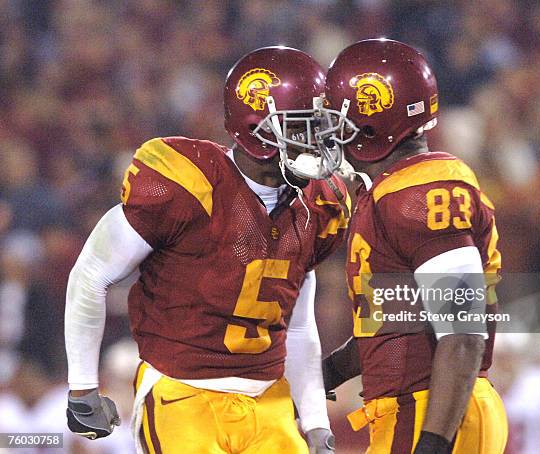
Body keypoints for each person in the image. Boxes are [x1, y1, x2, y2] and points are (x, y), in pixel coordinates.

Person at [64, 46, 347, 454]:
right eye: (303, 127)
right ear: (259, 127)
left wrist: (316, 420)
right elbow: (91, 273)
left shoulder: (317, 205)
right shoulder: (188, 183)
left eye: (321, 127)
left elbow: (298, 325)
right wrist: (82, 386)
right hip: (183, 394)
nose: (317, 141)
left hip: (270, 400)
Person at [315, 39, 507, 453]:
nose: (330, 129)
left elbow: (463, 332)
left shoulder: (421, 191)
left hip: (431, 410)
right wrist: (318, 377)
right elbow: (398, 324)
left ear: (373, 120)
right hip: (424, 406)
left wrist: (434, 443)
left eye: (338, 116)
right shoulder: (394, 190)